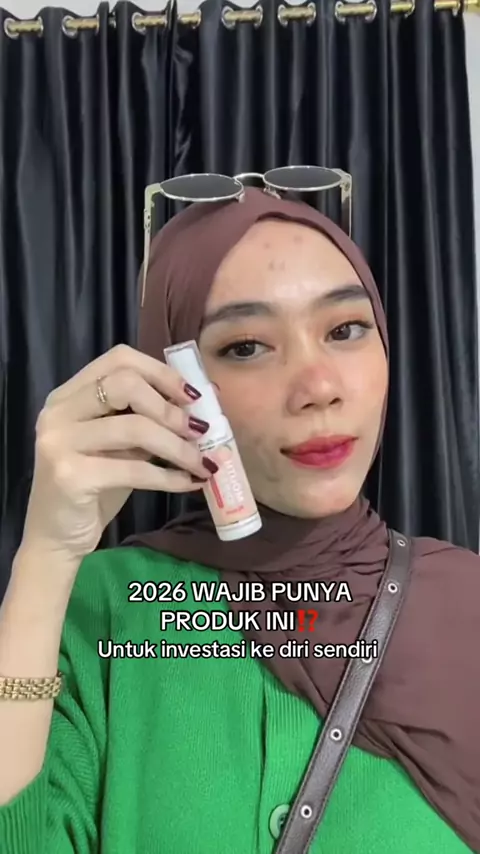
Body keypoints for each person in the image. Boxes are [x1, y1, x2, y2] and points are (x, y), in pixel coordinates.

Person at [0, 187, 478, 854]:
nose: (318, 388)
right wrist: (46, 558)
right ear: (175, 383)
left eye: (345, 330)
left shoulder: (467, 603)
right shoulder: (100, 609)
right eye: (248, 345)